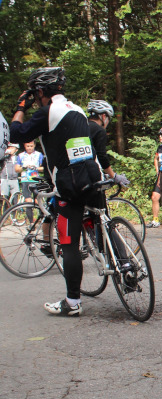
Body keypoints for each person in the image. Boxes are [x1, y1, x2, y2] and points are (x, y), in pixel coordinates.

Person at [9, 67, 126, 317]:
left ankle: (72, 303)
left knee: (69, 243)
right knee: (100, 222)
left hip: (70, 185)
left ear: (39, 91)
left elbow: (17, 133)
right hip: (93, 177)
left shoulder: (47, 112)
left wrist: (21, 107)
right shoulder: (77, 109)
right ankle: (125, 267)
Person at [86, 100, 129, 184]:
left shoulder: (82, 126)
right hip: (90, 174)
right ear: (103, 116)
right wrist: (114, 175)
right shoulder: (99, 130)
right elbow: (101, 156)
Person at [15, 140, 44, 206]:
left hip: (36, 180)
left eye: (31, 146)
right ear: (24, 146)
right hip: (25, 180)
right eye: (27, 146)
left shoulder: (39, 154)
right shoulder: (20, 155)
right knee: (28, 202)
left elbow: (44, 168)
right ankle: (30, 217)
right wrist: (24, 168)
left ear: (34, 146)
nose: (29, 148)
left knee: (38, 201)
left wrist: (35, 168)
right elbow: (16, 169)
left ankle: (41, 215)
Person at [146, 129, 162, 228]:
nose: (160, 137)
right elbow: (156, 159)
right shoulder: (160, 147)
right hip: (160, 175)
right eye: (159, 135)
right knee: (155, 197)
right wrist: (157, 170)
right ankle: (155, 220)